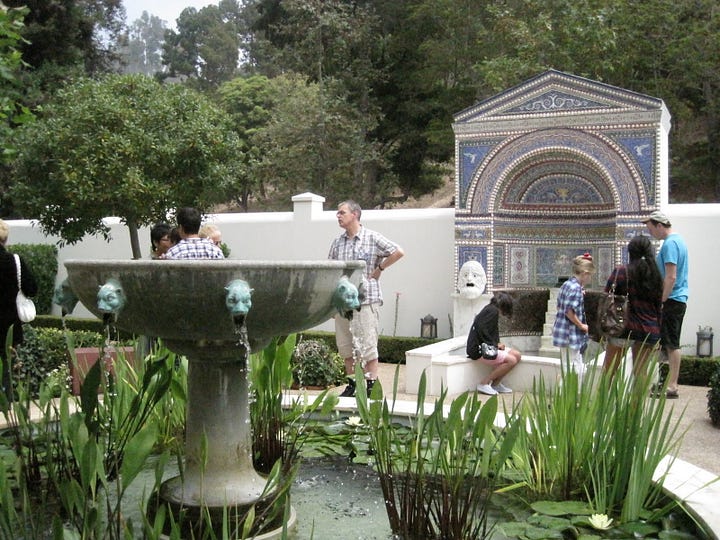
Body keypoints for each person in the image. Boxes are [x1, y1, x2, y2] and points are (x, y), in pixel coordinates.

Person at [328, 200, 404, 397]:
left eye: (342, 212)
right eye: (338, 213)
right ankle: (353, 384)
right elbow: (330, 270)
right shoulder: (337, 243)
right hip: (342, 303)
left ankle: (371, 384)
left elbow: (398, 251)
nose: (338, 216)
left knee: (368, 344)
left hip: (366, 300)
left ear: (355, 214)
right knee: (346, 345)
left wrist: (380, 269)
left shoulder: (372, 238)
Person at [602, 235, 663, 378]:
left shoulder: (622, 271)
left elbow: (606, 296)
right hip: (648, 329)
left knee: (609, 373)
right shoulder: (655, 275)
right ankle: (638, 402)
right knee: (641, 374)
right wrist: (660, 333)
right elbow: (658, 306)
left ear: (630, 252)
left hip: (623, 327)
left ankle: (607, 400)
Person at [643, 210, 689, 399]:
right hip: (677, 298)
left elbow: (671, 276)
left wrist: (661, 300)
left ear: (659, 226)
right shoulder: (679, 241)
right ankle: (666, 383)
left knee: (671, 343)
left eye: (651, 228)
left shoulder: (670, 244)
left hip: (672, 299)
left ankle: (672, 386)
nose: (651, 233)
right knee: (667, 343)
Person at [0, 219, 38, 401]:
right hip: (8, 326)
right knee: (6, 370)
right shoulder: (14, 262)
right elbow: (32, 288)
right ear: (5, 239)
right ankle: (4, 410)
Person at [466, 291, 521, 395]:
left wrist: (497, 343)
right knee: (512, 360)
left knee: (517, 355)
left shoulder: (490, 309)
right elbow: (482, 329)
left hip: (483, 346)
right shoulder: (493, 311)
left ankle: (496, 384)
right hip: (478, 350)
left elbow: (489, 330)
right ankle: (484, 383)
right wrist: (495, 345)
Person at [552, 253, 595, 372]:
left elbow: (559, 306)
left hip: (562, 332)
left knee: (572, 365)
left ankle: (572, 390)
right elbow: (569, 311)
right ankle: (569, 390)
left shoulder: (566, 284)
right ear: (585, 273)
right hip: (570, 334)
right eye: (590, 275)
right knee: (571, 368)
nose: (590, 278)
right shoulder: (575, 288)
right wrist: (582, 325)